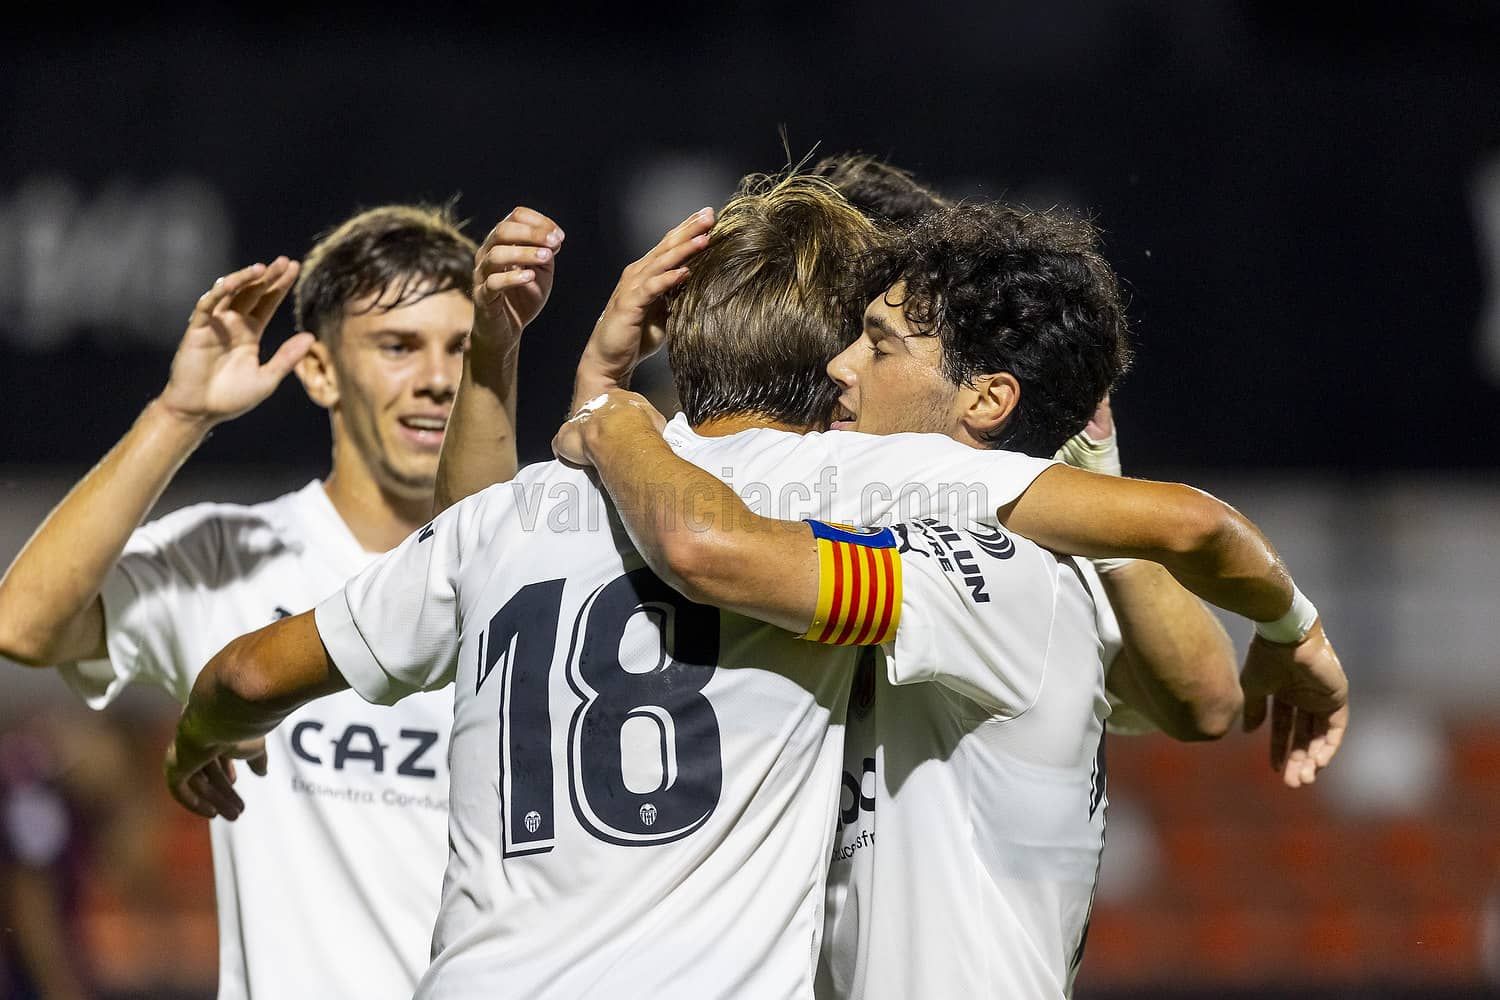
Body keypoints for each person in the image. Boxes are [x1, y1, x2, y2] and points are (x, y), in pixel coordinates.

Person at [166, 175, 1339, 998]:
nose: (844, 368)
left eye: (878, 344)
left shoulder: (967, 549)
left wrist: (605, 414)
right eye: (852, 333)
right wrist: (584, 390)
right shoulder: (825, 497)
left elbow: (1198, 673)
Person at [553, 193, 1347, 998]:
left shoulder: (994, 564)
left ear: (985, 401)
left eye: (878, 346)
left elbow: (1199, 582)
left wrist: (1295, 631)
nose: (838, 367)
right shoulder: (890, 516)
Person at [0, 202, 565, 998]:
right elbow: (22, 625)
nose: (437, 378)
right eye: (398, 346)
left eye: (459, 347)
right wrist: (178, 414)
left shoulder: (550, 562)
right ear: (319, 370)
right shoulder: (233, 558)